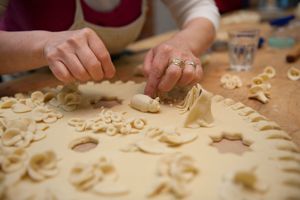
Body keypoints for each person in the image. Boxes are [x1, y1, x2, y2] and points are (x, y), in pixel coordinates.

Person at [0, 0, 219, 97]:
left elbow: (200, 7)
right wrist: (43, 45)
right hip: (26, 86)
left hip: (117, 75)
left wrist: (184, 42)